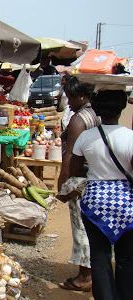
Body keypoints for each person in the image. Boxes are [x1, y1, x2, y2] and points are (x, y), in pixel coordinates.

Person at [70, 88, 133, 300]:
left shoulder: (86, 137)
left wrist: (95, 171)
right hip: (126, 204)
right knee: (126, 259)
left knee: (100, 257)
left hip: (96, 200)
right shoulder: (130, 137)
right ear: (122, 108)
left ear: (97, 109)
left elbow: (75, 170)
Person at [58, 77, 100, 292]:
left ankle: (85, 276)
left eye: (71, 98)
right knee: (91, 226)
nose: (69, 103)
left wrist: (62, 183)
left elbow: (70, 156)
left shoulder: (78, 119)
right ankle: (92, 271)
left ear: (82, 96)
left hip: (79, 179)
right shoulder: (96, 113)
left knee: (80, 227)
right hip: (94, 176)